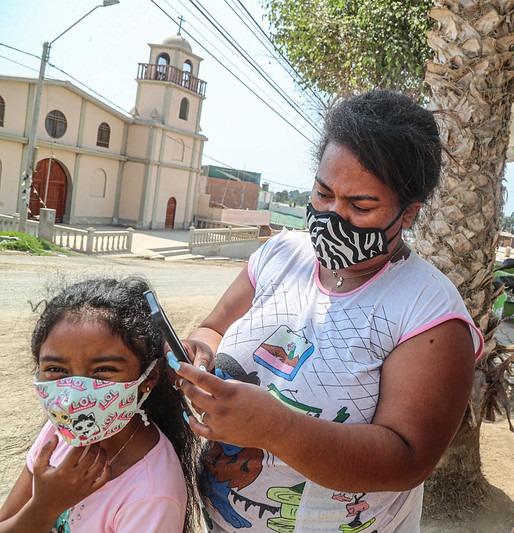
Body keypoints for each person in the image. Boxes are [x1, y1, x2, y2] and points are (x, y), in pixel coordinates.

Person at [168, 89, 483, 532]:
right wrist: (199, 351)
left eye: (361, 206)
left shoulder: (427, 312)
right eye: (323, 193)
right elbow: (213, 328)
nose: (333, 216)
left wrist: (276, 429)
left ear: (408, 214)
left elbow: (408, 459)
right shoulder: (280, 255)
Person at [0, 277, 202, 532]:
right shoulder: (57, 435)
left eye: (103, 370)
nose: (75, 394)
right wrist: (42, 507)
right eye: (56, 369)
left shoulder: (150, 493)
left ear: (148, 377)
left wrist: (44, 509)